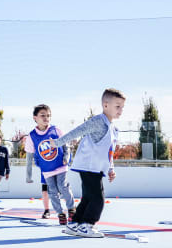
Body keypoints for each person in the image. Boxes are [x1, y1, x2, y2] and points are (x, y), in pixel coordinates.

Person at [51, 88, 124, 237]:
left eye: (122, 107)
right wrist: (58, 142)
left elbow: (109, 152)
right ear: (105, 105)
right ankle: (87, 225)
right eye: (117, 106)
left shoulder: (114, 129)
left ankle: (75, 224)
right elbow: (78, 131)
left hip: (97, 169)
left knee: (88, 198)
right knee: (98, 198)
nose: (120, 110)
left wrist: (110, 169)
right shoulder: (98, 122)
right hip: (88, 166)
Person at [25, 104, 75, 225]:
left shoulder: (56, 130)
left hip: (60, 165)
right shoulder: (32, 136)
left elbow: (66, 145)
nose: (46, 118)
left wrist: (66, 157)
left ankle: (72, 210)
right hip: (47, 170)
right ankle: (60, 213)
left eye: (48, 116)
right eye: (42, 115)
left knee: (63, 186)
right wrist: (29, 175)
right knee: (52, 192)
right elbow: (30, 156)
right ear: (35, 118)